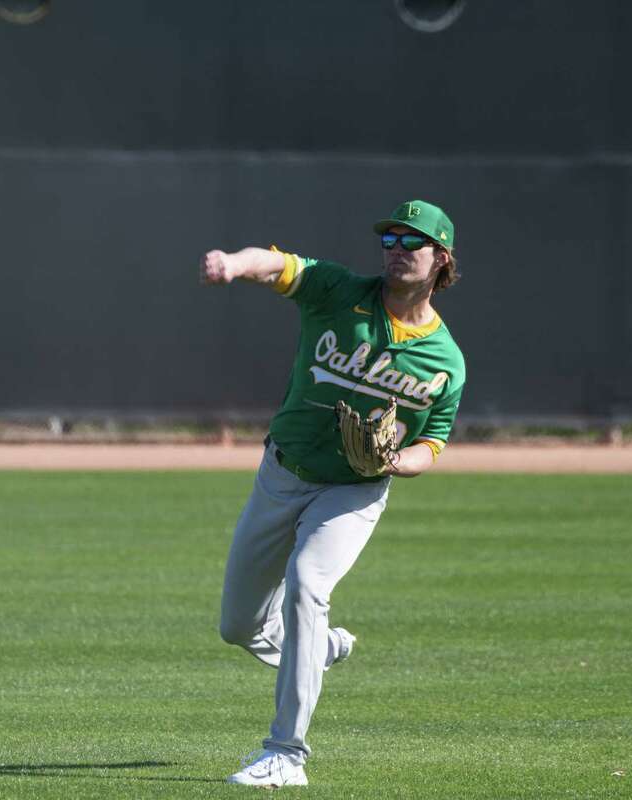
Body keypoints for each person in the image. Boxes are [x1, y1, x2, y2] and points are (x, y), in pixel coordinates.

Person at [199, 200, 466, 788]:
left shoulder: (444, 360)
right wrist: (233, 265)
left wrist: (398, 459)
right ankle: (317, 648)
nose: (396, 249)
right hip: (282, 472)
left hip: (352, 492)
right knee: (238, 627)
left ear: (440, 257)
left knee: (308, 586)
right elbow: (275, 264)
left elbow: (435, 443)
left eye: (411, 241)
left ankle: (286, 754)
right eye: (390, 238)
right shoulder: (338, 290)